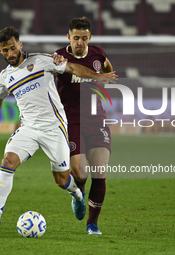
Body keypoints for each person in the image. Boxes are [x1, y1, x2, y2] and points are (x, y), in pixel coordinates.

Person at [0, 26, 117, 230]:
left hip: (54, 127)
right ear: (0, 51)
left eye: (13, 48)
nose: (11, 54)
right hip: (29, 128)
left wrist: (98, 76)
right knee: (8, 160)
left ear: (20, 45)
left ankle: (77, 195)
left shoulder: (43, 60)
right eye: (5, 50)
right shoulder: (5, 76)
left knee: (61, 179)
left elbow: (73, 68)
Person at [55, 17, 115, 235]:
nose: (80, 42)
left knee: (100, 171)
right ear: (69, 37)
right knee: (80, 173)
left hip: (96, 118)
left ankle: (92, 224)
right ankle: (78, 193)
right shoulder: (59, 57)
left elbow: (107, 67)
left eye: (84, 38)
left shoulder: (98, 55)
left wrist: (105, 77)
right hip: (70, 119)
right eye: (76, 37)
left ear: (90, 37)